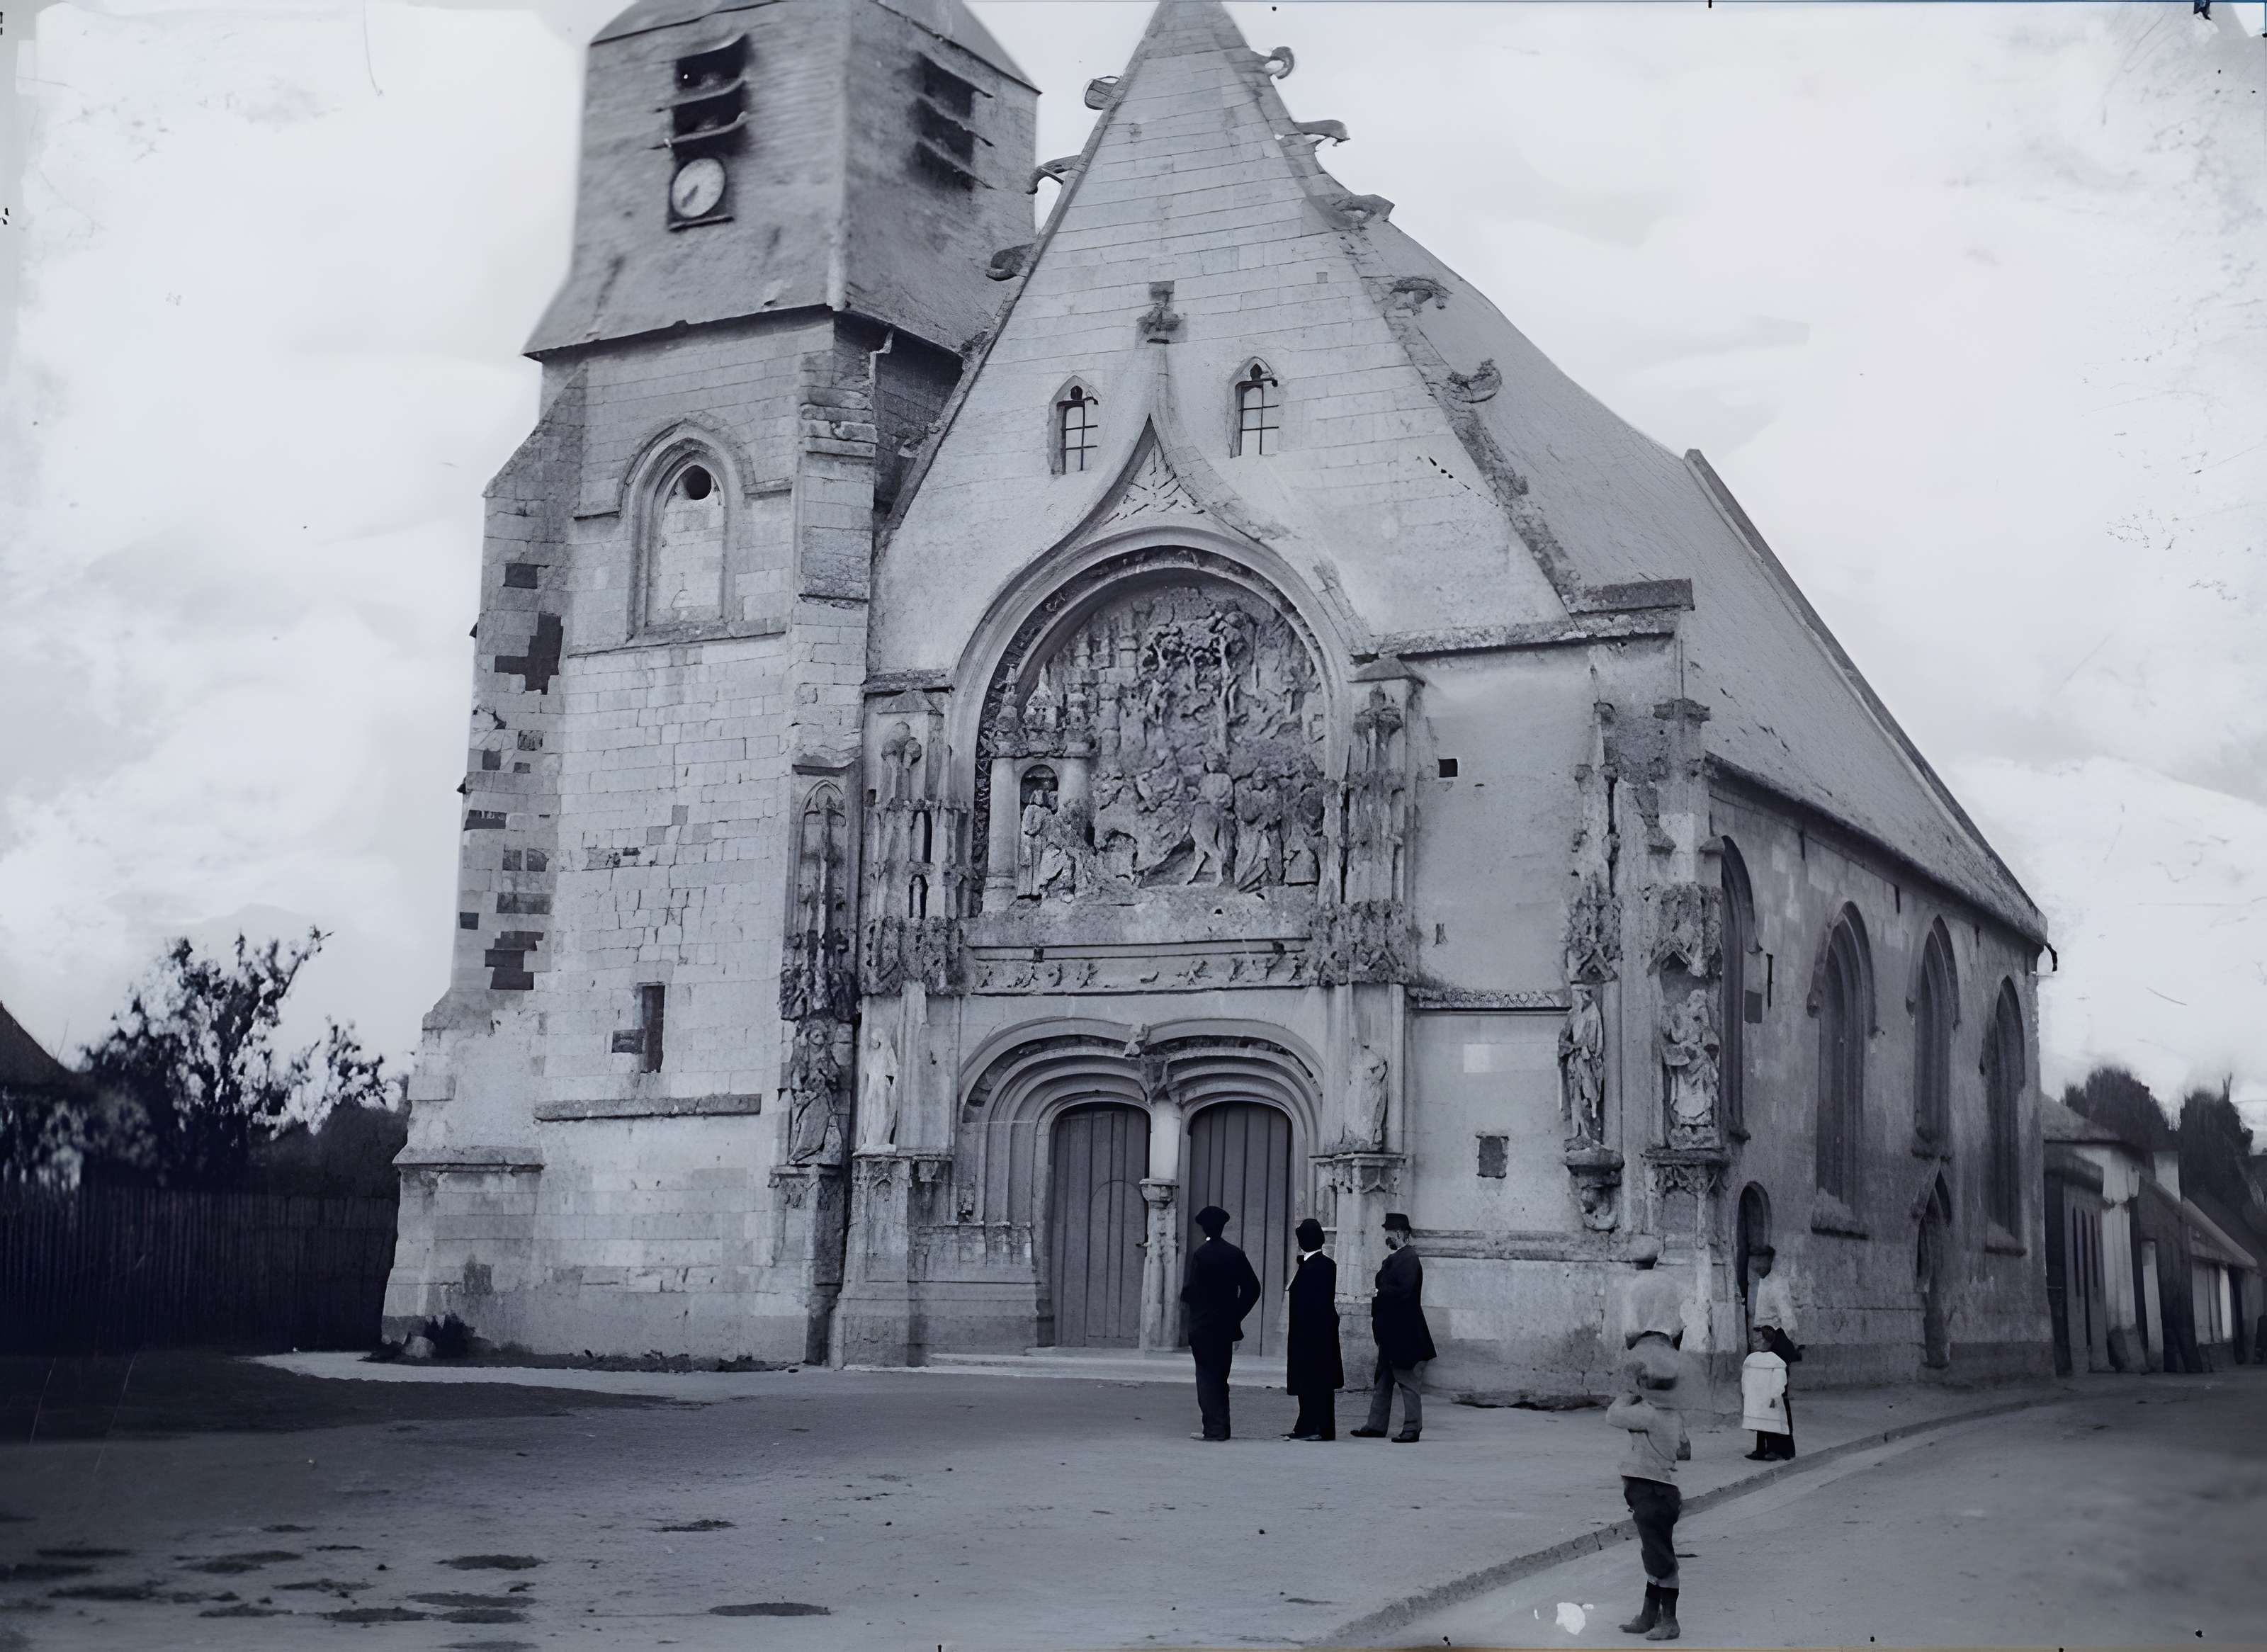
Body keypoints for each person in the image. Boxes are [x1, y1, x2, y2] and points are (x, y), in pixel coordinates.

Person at [1608, 1344, 1691, 1641]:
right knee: (1654, 1554)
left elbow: (1613, 1415)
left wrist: (1627, 1393)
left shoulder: (1648, 1415)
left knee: (1660, 1558)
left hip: (1651, 1493)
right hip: (1658, 1491)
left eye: (1644, 1381)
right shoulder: (1672, 1415)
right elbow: (1684, 1449)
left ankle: (1670, 1621)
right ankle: (1649, 1615)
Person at [1179, 1204, 1262, 1442]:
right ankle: (1222, 1427)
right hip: (1225, 1327)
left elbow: (1192, 1291)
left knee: (1206, 1377)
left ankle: (1213, 1429)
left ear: (1205, 1228)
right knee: (1221, 1377)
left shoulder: (1201, 1255)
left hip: (1203, 1326)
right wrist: (1236, 1314)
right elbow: (1253, 1288)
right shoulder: (1235, 1254)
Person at [1352, 1211, 1435, 1442]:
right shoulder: (1400, 1258)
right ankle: (1375, 1426)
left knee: (1407, 1381)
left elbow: (1405, 1293)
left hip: (1403, 1334)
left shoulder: (1409, 1259)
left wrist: (1380, 1293)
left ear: (1398, 1234)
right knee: (1383, 1381)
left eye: (1387, 1233)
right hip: (1391, 1333)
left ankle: (1412, 1429)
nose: (1385, 1237)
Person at [1284, 1217, 1342, 1441]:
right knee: (1312, 1384)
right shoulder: (1323, 1264)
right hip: (1317, 1334)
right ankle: (1307, 1426)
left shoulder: (1314, 1267)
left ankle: (1320, 1429)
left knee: (1315, 1384)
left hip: (1311, 1335)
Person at [1748, 1245, 1799, 1456]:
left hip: (1775, 1341)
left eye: (1761, 1260)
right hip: (1762, 1342)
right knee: (1761, 1396)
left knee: (1776, 1395)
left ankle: (1783, 1449)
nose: (1757, 1265)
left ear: (1769, 1260)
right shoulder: (1760, 1283)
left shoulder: (1777, 1284)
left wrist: (1784, 1344)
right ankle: (1763, 1448)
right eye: (1754, 1261)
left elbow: (1788, 1318)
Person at [1741, 1325, 1792, 1461]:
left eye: (1757, 1340)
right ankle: (1760, 1449)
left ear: (1765, 1341)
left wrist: (1775, 1395)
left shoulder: (1776, 1361)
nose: (1754, 1343)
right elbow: (1746, 1378)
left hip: (1770, 1398)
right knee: (1760, 1426)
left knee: (1771, 1425)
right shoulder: (1751, 1359)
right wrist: (1746, 1393)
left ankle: (1773, 1450)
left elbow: (1779, 1380)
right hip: (1757, 1398)